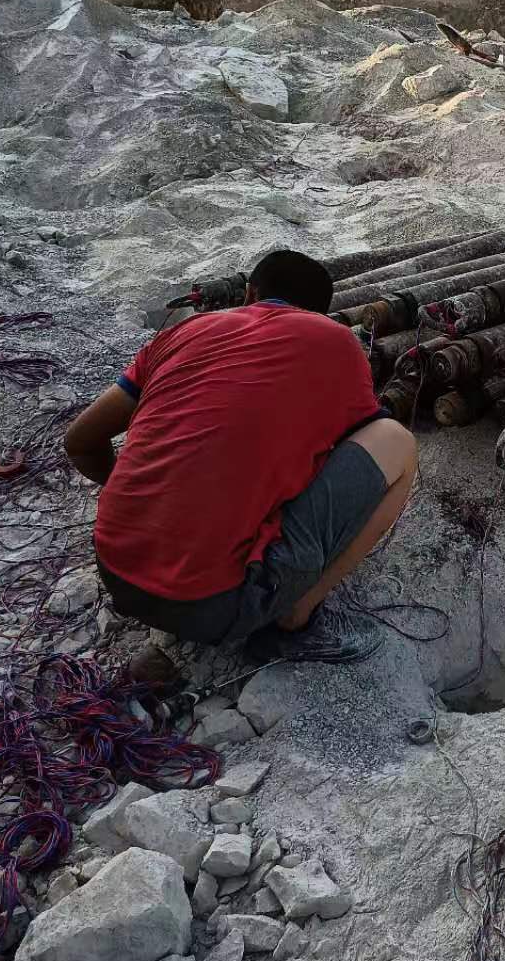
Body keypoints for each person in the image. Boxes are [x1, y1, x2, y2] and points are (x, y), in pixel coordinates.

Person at [64, 249, 417, 663]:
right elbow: (355, 444)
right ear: (320, 313)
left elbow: (80, 440)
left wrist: (147, 502)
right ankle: (296, 617)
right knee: (396, 442)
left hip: (115, 570)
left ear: (250, 293)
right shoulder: (336, 341)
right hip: (214, 606)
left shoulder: (183, 331)